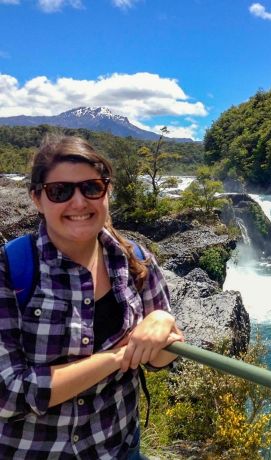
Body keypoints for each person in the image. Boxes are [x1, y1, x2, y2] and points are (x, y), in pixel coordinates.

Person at [0, 135, 184, 459]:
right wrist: (116, 357)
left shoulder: (136, 261)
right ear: (36, 199)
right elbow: (8, 393)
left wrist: (163, 322)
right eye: (60, 191)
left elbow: (163, 361)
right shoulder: (11, 270)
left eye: (91, 188)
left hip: (120, 448)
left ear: (107, 192)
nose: (79, 202)